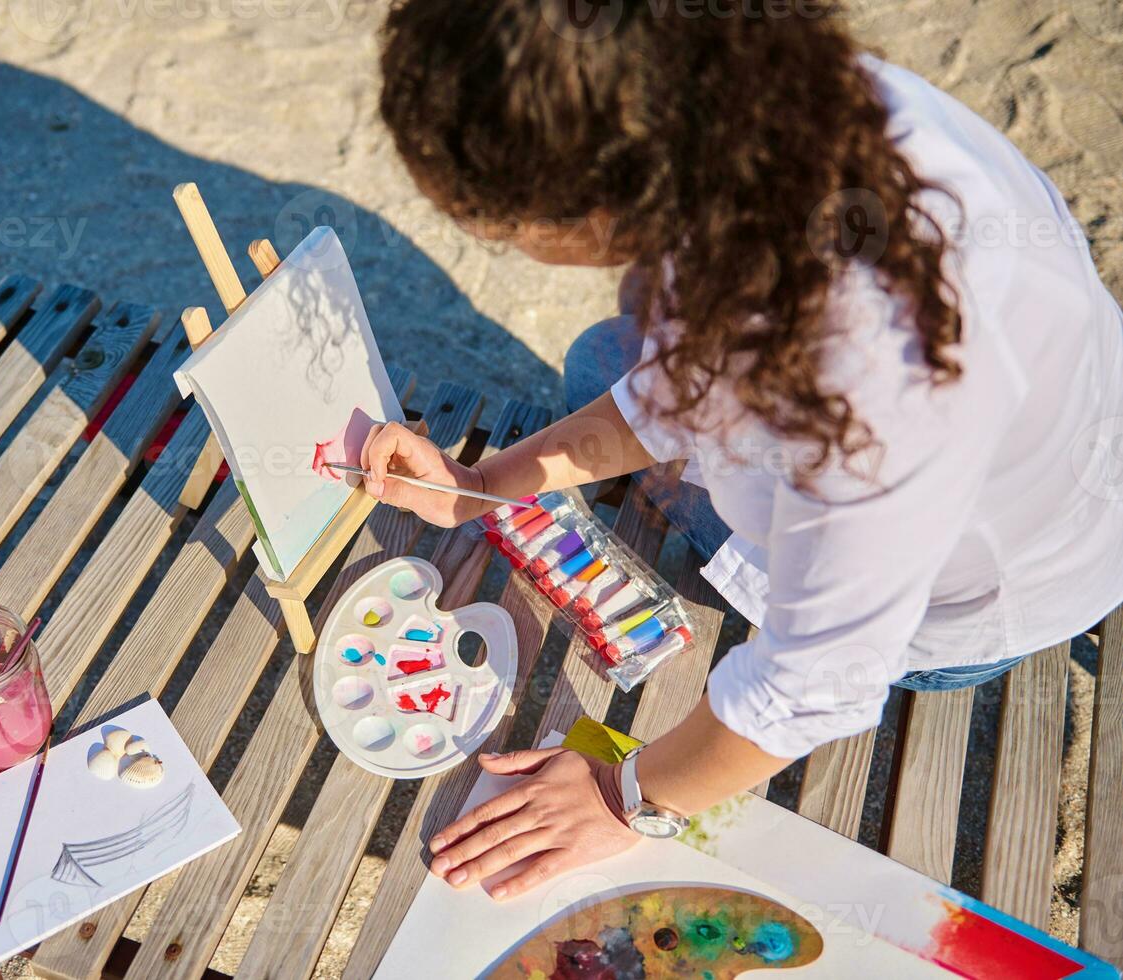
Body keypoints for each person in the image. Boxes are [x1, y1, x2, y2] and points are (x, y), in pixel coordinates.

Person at [360, 0, 1123, 901]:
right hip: (1009, 466)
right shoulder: (760, 112)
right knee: (600, 363)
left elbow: (816, 684)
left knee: (602, 379)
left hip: (962, 610)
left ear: (610, 200)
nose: (495, 240)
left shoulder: (873, 384)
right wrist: (482, 487)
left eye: (492, 224)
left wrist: (622, 795)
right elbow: (663, 389)